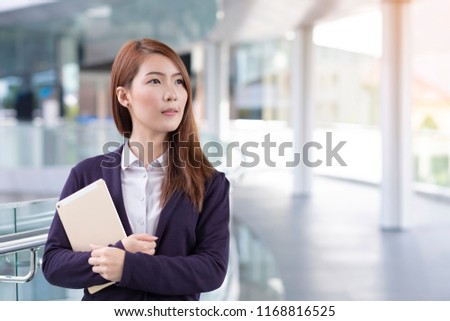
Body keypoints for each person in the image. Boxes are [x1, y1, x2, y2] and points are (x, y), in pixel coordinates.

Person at [42, 38, 230, 301]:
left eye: (178, 81)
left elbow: (212, 269)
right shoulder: (86, 174)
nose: (172, 93)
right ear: (123, 96)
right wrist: (114, 255)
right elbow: (53, 264)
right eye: (155, 81)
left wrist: (128, 267)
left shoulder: (210, 182)